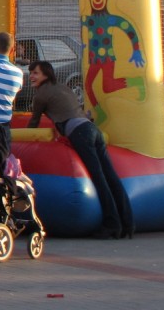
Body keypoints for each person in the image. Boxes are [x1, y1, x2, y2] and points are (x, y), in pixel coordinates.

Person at [28, 60, 133, 239]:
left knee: (99, 179)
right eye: (31, 72)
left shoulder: (41, 95)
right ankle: (128, 224)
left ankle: (112, 225)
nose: (31, 76)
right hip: (93, 130)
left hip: (80, 133)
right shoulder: (63, 88)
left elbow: (34, 123)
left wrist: (25, 139)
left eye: (35, 73)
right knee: (111, 176)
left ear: (46, 74)